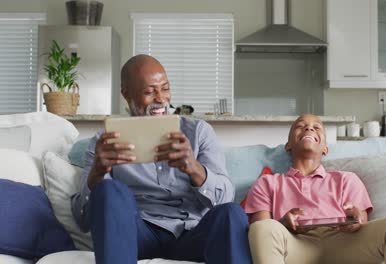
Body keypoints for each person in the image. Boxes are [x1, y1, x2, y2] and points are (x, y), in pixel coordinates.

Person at [71, 54, 252, 264]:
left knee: (231, 213)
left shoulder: (199, 132)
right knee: (109, 190)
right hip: (138, 235)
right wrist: (97, 173)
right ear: (126, 94)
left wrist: (194, 168)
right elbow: (82, 219)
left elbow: (225, 198)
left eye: (165, 89)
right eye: (149, 91)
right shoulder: (106, 142)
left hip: (192, 234)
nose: (160, 99)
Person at [244, 114, 386, 264]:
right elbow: (261, 228)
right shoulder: (268, 183)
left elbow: (362, 220)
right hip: (295, 245)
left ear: (325, 149)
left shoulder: (346, 179)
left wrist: (356, 219)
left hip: (343, 242)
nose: (309, 128)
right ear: (288, 145)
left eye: (317, 127)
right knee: (262, 228)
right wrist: (283, 224)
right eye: (301, 126)